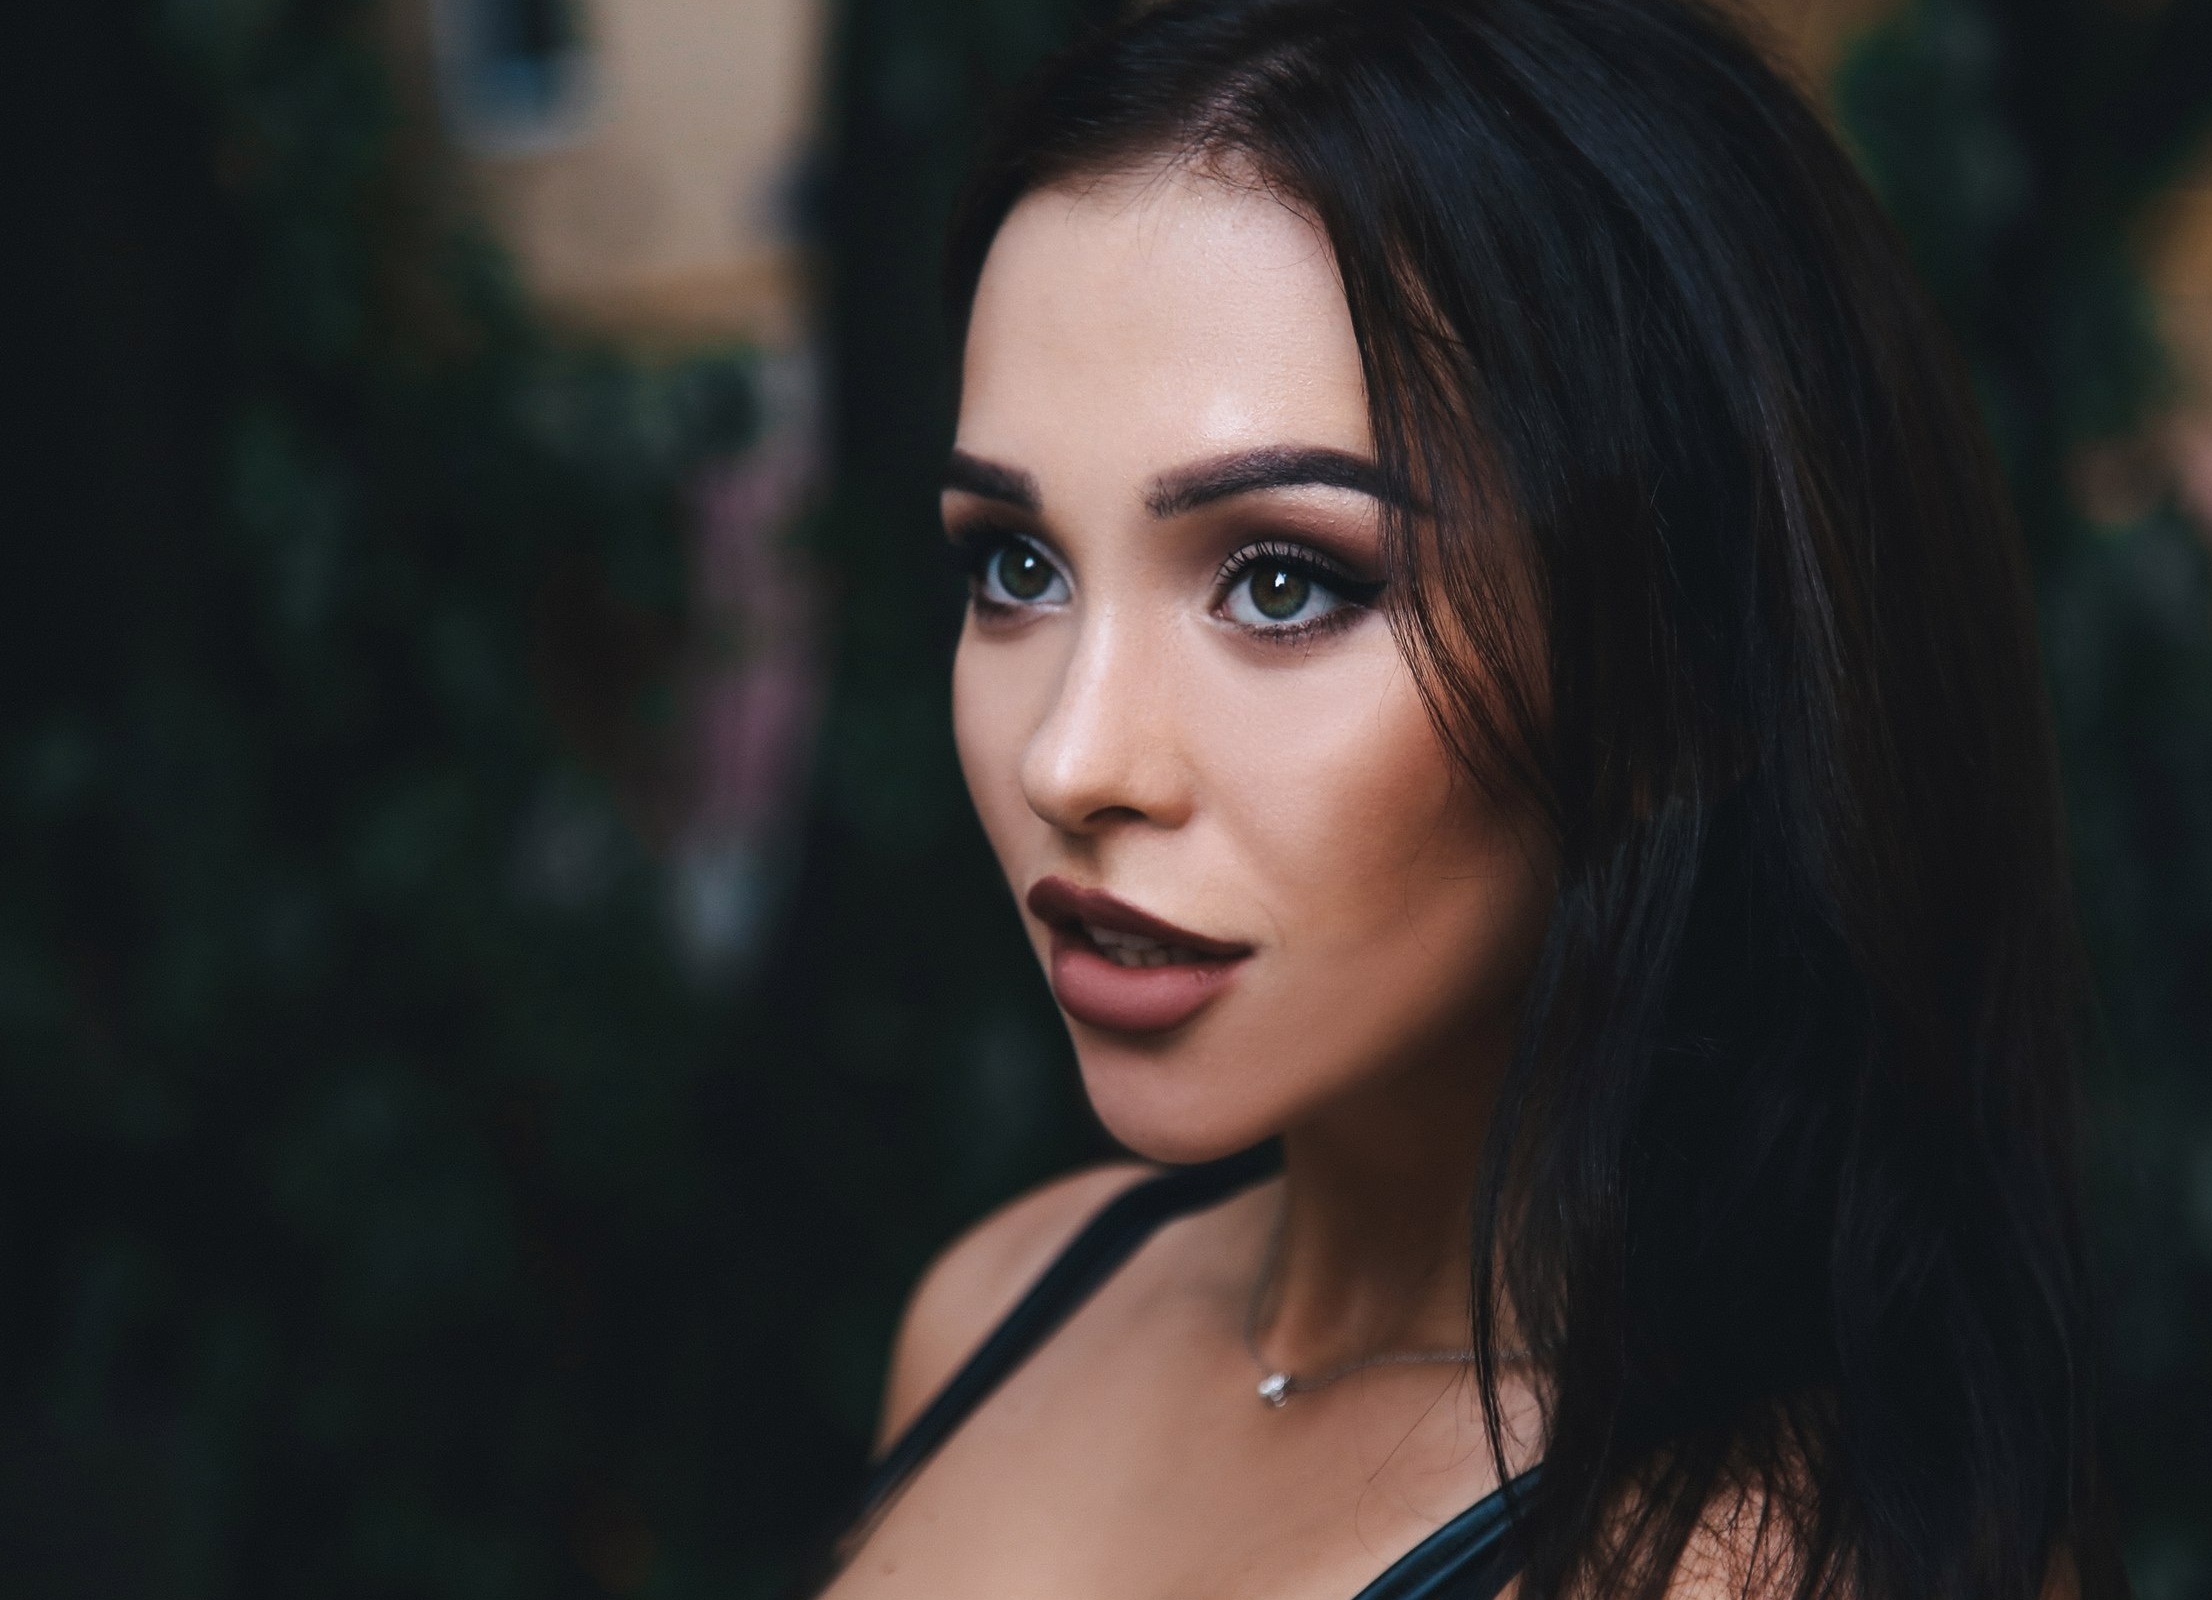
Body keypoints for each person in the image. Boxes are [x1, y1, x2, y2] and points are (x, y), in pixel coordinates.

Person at [823, 1, 2121, 1596]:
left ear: (1681, 677)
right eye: (1016, 566)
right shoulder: (999, 1308)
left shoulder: (1769, 1565)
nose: (1071, 760)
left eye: (1285, 583)